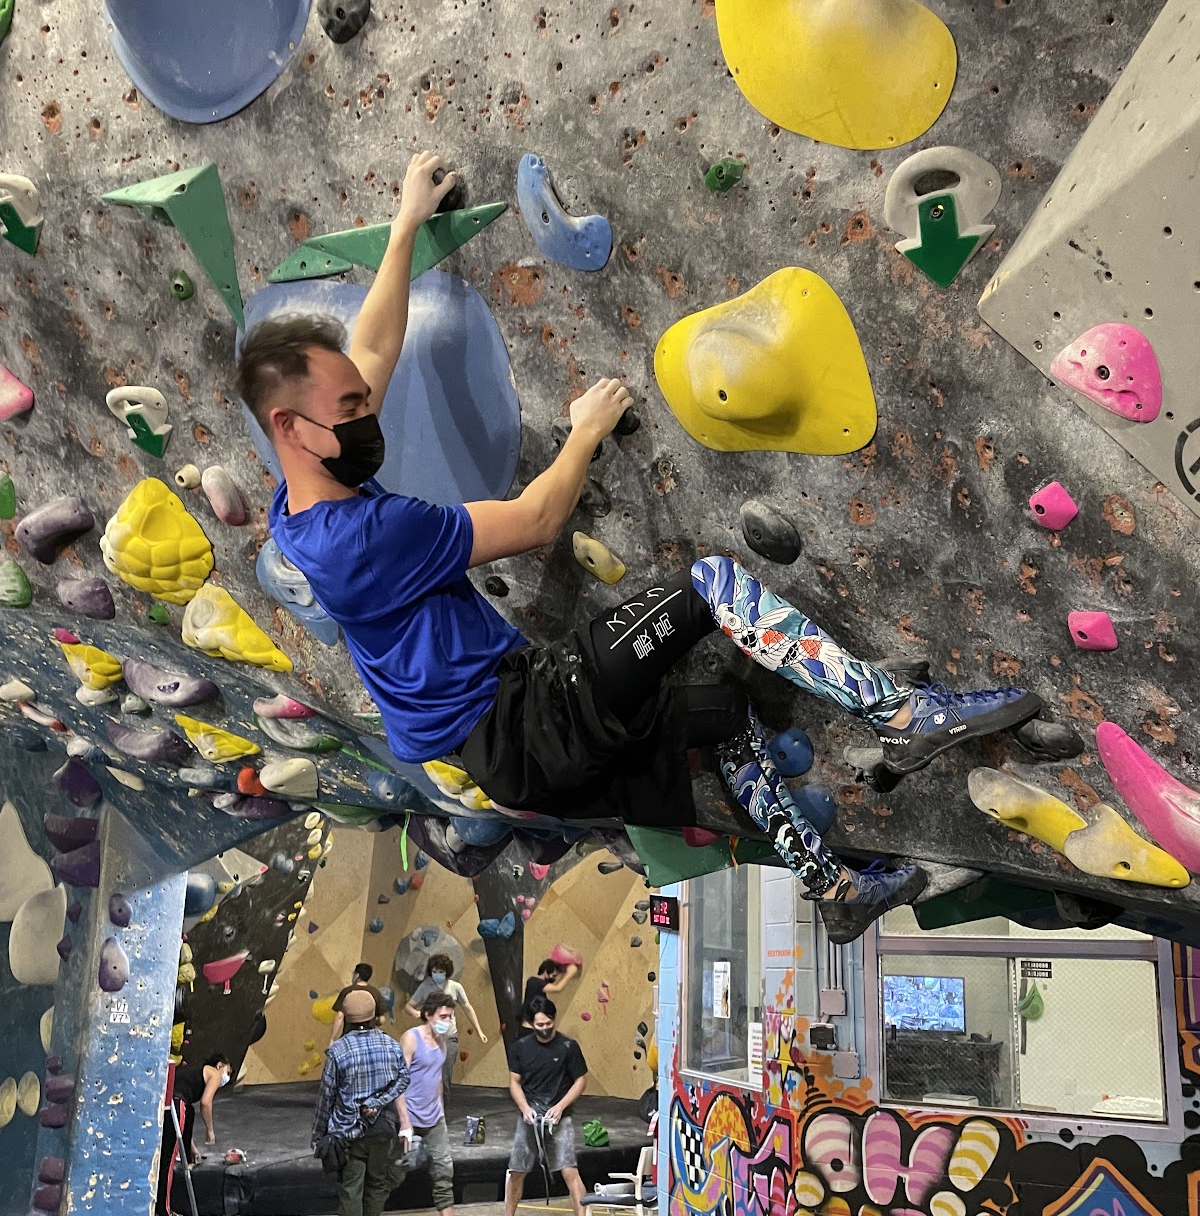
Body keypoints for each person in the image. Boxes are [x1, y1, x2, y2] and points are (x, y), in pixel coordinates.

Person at [241, 150, 1042, 946]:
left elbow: (373, 351)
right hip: (525, 718)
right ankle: (899, 711)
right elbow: (532, 522)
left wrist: (408, 221)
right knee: (711, 585)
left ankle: (832, 887)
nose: (365, 408)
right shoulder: (365, 537)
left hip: (507, 753)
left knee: (723, 715)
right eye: (348, 404)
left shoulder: (301, 502)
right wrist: (584, 431)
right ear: (291, 427)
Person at [312, 985, 412, 1216]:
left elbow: (326, 1098)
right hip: (383, 1131)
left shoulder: (337, 1052)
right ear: (373, 1016)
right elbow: (403, 1080)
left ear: (346, 1016)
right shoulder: (391, 1045)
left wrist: (319, 1135)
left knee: (351, 1191)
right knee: (376, 1185)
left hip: (349, 1133)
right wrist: (378, 1102)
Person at [497, 1002, 588, 1216]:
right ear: (531, 1024)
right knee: (516, 1170)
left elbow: (580, 1080)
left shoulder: (568, 1047)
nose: (545, 1029)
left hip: (559, 1117)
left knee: (570, 1171)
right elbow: (514, 1082)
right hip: (530, 1116)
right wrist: (525, 1108)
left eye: (548, 1024)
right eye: (540, 1025)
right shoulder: (521, 1048)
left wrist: (560, 1106)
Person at [398, 995, 475, 1216]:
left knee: (444, 1171)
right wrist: (404, 1122)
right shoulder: (411, 1038)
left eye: (450, 1017)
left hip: (434, 1118)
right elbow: (398, 1083)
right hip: (409, 1117)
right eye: (443, 1016)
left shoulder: (442, 1041)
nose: (448, 1021)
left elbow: (437, 1078)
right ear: (428, 1014)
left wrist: (440, 1109)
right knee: (391, 1172)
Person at [155, 1052, 230, 1216]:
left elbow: (183, 1129)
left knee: (188, 1114)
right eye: (228, 1071)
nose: (226, 1077)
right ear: (220, 1065)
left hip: (170, 1103)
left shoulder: (193, 1074)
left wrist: (193, 1150)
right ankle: (163, 1212)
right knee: (168, 1159)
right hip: (175, 1104)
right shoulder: (214, 1073)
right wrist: (210, 1130)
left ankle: (189, 1156)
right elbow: (206, 1102)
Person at [405, 953, 487, 1092]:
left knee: (444, 1077)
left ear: (446, 972)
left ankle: (442, 1108)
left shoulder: (455, 987)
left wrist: (479, 1031)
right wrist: (415, 1012)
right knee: (426, 1075)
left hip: (449, 1037)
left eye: (440, 972)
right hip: (429, 1037)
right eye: (434, 971)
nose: (437, 974)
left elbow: (468, 1009)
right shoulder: (426, 986)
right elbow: (409, 1005)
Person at [519, 957, 579, 1031]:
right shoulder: (534, 981)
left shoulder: (536, 984)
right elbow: (558, 988)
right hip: (529, 1026)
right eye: (553, 976)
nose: (554, 979)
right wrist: (570, 973)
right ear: (545, 971)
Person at [329, 962, 379, 1042]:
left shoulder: (347, 991)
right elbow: (382, 1019)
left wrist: (332, 1038)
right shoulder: (375, 993)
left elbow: (339, 1016)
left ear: (357, 975)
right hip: (369, 1038)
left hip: (349, 1037)